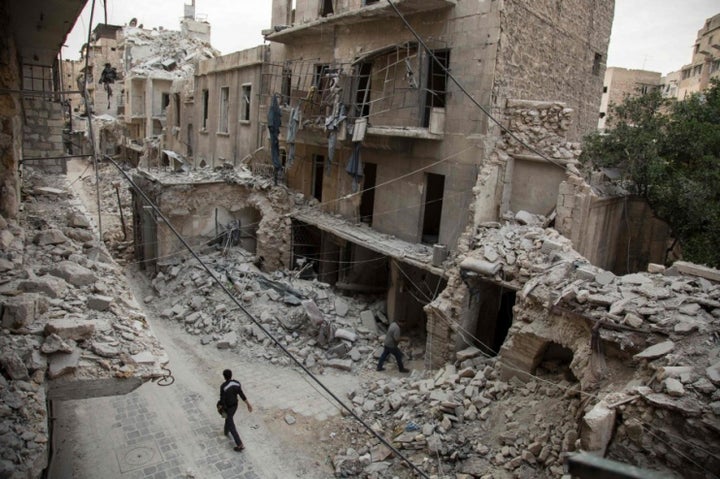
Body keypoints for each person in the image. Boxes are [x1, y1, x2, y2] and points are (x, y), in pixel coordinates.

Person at [219, 369, 253, 452]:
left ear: (224, 377)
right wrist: (248, 404)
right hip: (235, 406)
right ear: (231, 375)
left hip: (227, 407)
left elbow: (222, 400)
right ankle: (226, 431)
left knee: (230, 423)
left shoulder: (223, 386)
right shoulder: (237, 383)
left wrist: (220, 408)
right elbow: (242, 395)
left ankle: (239, 444)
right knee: (228, 419)